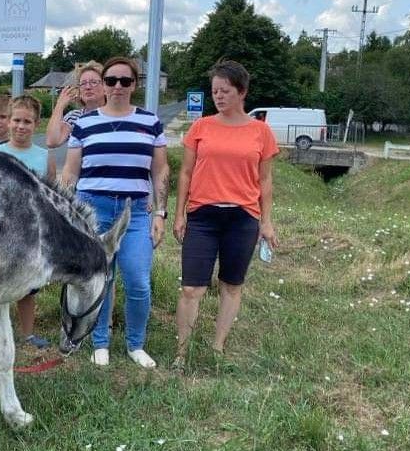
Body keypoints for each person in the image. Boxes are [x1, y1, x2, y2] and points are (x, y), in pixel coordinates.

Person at [62, 56, 169, 369]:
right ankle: (100, 342)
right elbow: (71, 172)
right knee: (101, 279)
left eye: (125, 80)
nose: (118, 86)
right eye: (111, 81)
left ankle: (136, 344)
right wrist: (66, 211)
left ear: (134, 85)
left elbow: (161, 171)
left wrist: (160, 213)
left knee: (138, 280)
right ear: (103, 85)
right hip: (92, 209)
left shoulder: (150, 122)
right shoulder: (83, 123)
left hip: (134, 213)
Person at [172, 59, 279, 366]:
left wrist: (266, 222)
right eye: (214, 91)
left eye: (225, 90)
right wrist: (179, 214)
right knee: (192, 287)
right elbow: (186, 174)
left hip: (242, 217)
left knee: (231, 285)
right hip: (203, 215)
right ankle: (182, 351)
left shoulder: (261, 132)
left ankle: (217, 347)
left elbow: (265, 179)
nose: (218, 96)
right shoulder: (200, 127)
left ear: (242, 92)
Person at [0, 95, 56, 349]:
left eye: (27, 121)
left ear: (36, 124)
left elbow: (51, 195)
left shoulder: (44, 156)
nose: (21, 126)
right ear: (8, 121)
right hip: (0, 232)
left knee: (28, 288)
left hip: (32, 232)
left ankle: (28, 333)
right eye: (17, 120)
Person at [45, 62, 106, 148]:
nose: (88, 87)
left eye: (93, 82)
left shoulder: (116, 115)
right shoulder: (74, 117)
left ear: (105, 86)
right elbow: (52, 141)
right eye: (83, 83)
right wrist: (60, 105)